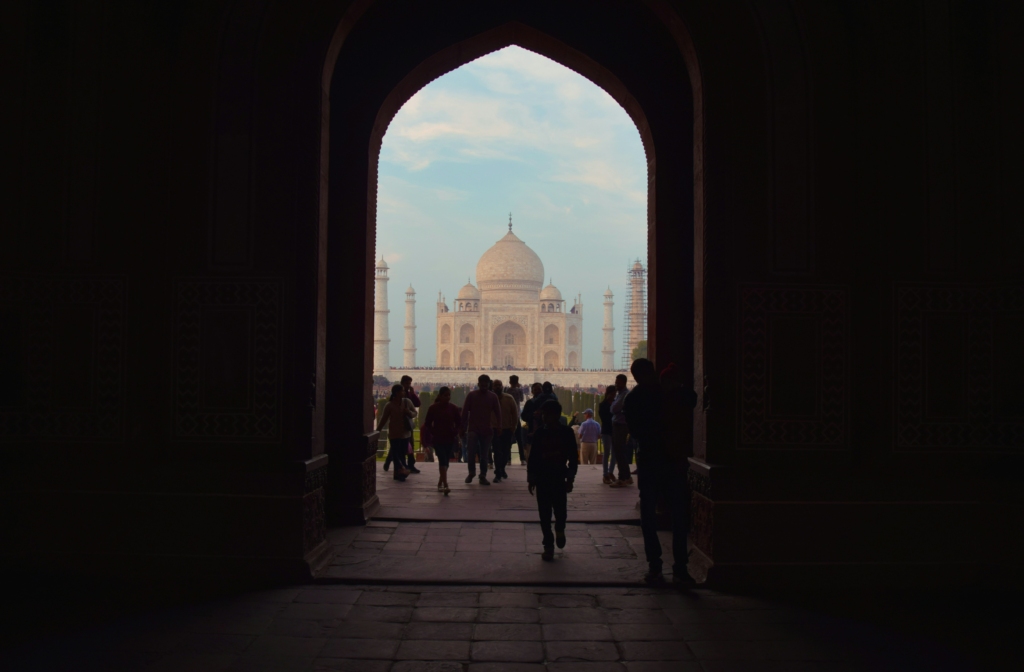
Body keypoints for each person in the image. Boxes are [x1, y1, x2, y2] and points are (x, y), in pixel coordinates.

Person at [623, 358, 698, 587]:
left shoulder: (634, 398)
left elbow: (635, 431)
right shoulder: (666, 392)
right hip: (672, 461)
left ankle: (656, 566)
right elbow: (692, 400)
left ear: (635, 376)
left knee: (649, 515)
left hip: (650, 461)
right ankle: (680, 568)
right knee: (677, 515)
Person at [527, 400, 579, 561]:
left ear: (556, 415)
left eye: (546, 414)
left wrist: (570, 478)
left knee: (560, 511)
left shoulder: (566, 433)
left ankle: (559, 529)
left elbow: (573, 457)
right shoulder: (540, 433)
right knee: (544, 514)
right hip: (543, 478)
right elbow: (533, 458)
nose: (543, 417)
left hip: (558, 477)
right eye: (543, 414)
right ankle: (548, 545)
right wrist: (531, 478)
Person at [460, 374, 502, 485]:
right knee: (471, 452)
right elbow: (464, 413)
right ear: (478, 384)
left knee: (484, 455)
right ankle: (471, 472)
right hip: (473, 428)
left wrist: (499, 426)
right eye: (482, 385)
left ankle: (482, 475)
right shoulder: (471, 395)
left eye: (486, 385)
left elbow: (498, 414)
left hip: (487, 430)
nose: (484, 387)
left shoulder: (493, 397)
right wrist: (462, 428)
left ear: (489, 385)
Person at [422, 386, 461, 495]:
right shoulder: (433, 408)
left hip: (449, 439)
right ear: (440, 396)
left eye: (449, 395)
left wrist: (455, 432)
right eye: (445, 395)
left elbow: (459, 423)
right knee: (442, 460)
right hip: (438, 439)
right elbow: (428, 423)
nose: (447, 397)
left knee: (446, 462)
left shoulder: (453, 408)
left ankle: (440, 482)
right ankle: (445, 485)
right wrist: (433, 432)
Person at [375, 384, 415, 482]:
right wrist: (378, 431)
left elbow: (414, 413)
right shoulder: (389, 405)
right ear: (396, 393)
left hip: (405, 434)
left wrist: (408, 412)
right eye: (402, 391)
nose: (404, 392)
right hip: (394, 433)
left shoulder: (407, 402)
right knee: (396, 454)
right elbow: (383, 419)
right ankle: (402, 469)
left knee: (401, 454)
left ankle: (398, 473)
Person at [492, 379, 519, 483]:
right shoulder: (490, 399)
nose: (498, 387)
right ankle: (498, 472)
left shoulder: (509, 398)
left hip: (507, 429)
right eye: (496, 385)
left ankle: (501, 469)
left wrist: (513, 428)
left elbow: (514, 414)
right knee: (497, 452)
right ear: (493, 387)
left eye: (499, 385)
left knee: (506, 452)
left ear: (502, 386)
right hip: (494, 429)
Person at [609, 374, 633, 487]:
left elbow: (614, 408)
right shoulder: (620, 394)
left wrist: (613, 404)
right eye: (616, 382)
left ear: (623, 382)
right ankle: (627, 476)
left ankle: (622, 478)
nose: (616, 384)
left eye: (618, 382)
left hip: (620, 426)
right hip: (618, 425)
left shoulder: (624, 395)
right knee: (619, 452)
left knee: (619, 452)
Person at [400, 375, 422, 473]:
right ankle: (402, 466)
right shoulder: (397, 394)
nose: (408, 386)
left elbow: (417, 404)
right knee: (400, 445)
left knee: (410, 444)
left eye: (409, 384)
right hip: (399, 424)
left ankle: (410, 465)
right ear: (402, 383)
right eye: (407, 383)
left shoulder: (409, 395)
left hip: (408, 424)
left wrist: (413, 394)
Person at [519, 382, 545, 462]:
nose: (537, 391)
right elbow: (524, 416)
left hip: (545, 433)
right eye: (535, 390)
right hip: (532, 433)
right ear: (532, 391)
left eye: (539, 389)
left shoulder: (547, 402)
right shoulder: (530, 403)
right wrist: (533, 415)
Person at [598, 385, 617, 484]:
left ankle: (610, 472)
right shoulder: (603, 405)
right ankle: (605, 474)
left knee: (614, 453)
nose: (613, 396)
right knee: (606, 452)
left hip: (614, 430)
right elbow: (604, 418)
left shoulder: (615, 403)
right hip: (607, 430)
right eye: (612, 394)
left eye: (614, 394)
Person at [507, 375, 525, 462]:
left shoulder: (507, 390)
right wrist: (519, 387)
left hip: (508, 416)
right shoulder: (519, 391)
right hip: (517, 416)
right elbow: (521, 399)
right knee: (519, 439)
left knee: (508, 439)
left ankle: (508, 459)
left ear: (510, 382)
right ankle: (522, 459)